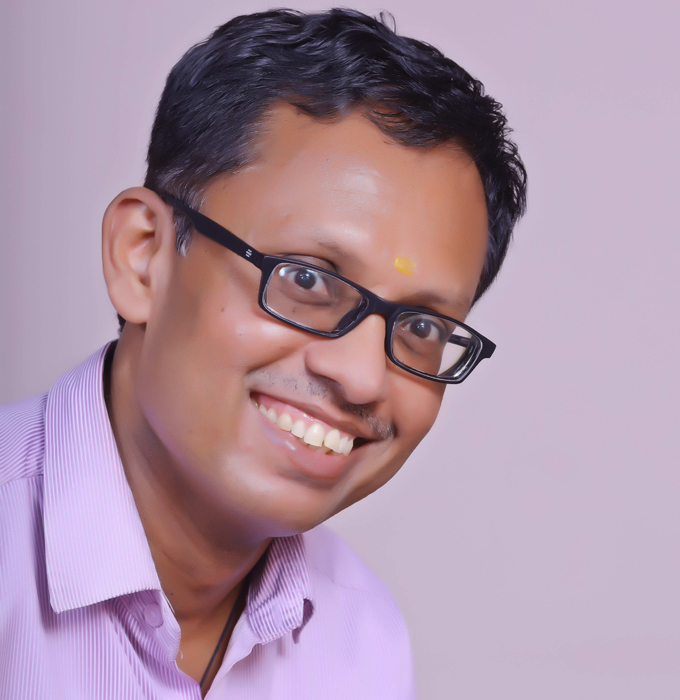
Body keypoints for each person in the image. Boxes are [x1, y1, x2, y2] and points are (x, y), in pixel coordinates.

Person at [0, 8, 526, 699]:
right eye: (307, 280)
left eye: (423, 328)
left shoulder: (363, 644)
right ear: (143, 256)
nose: (362, 376)